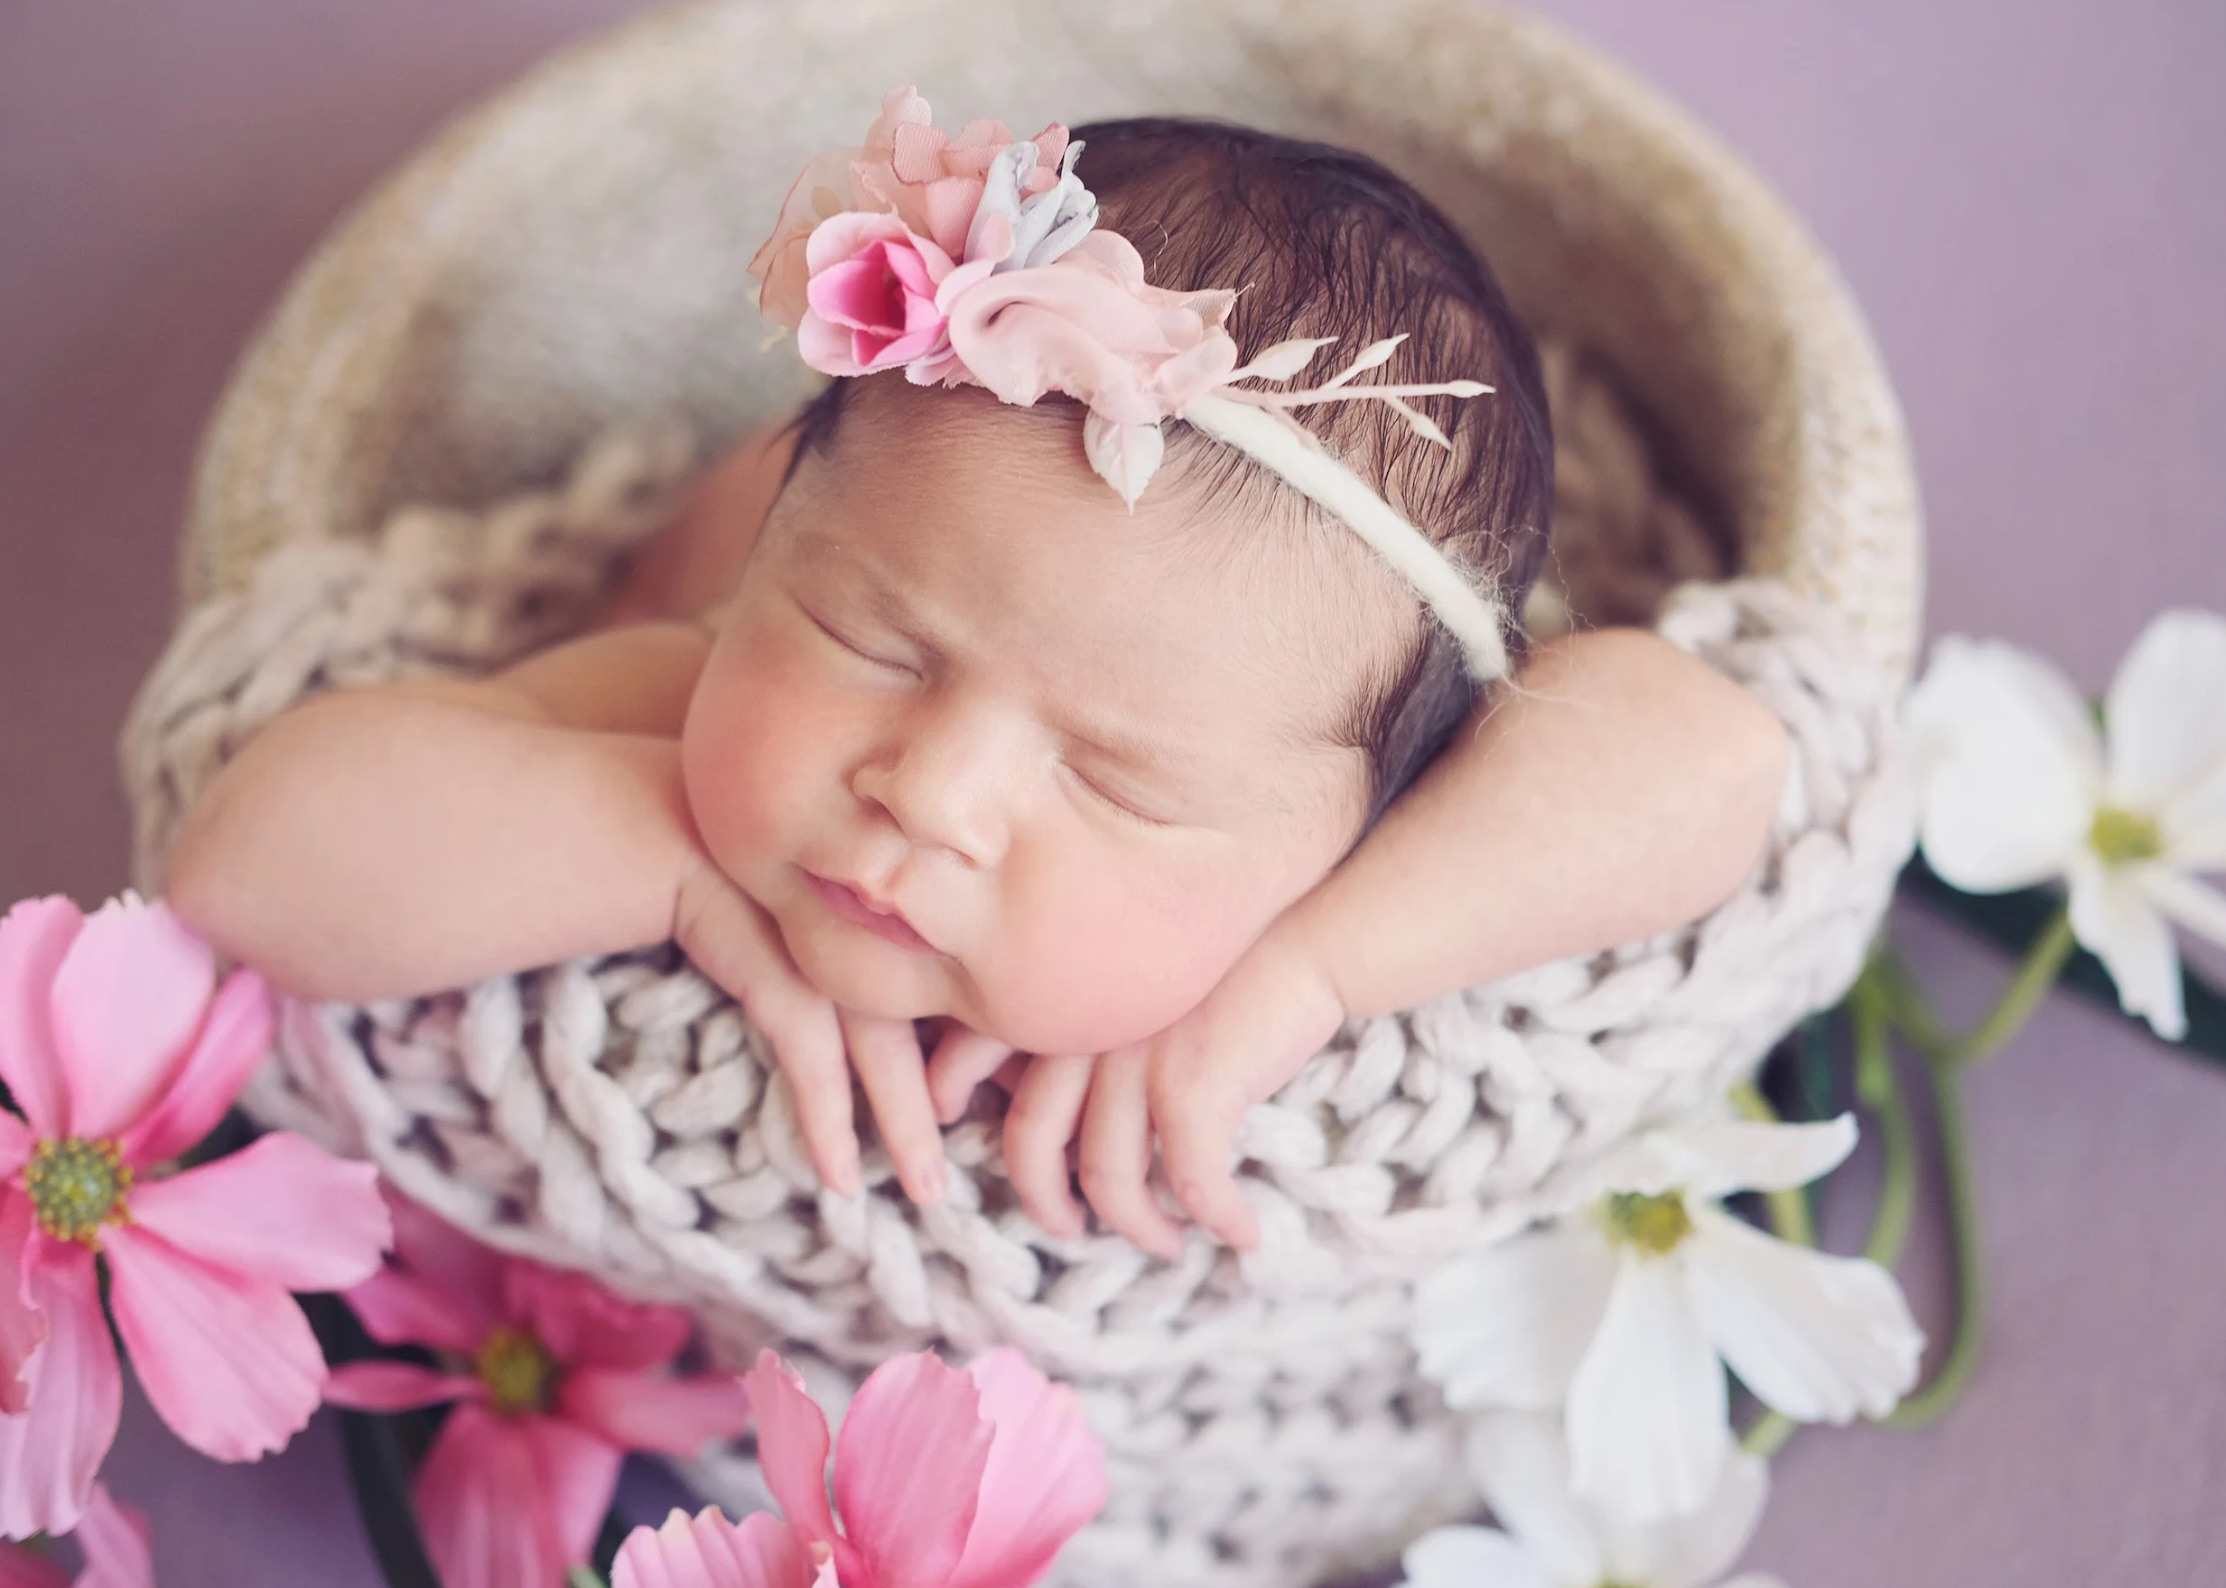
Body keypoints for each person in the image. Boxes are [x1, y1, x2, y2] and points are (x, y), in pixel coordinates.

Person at [166, 95, 1790, 1260]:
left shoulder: (1382, 818)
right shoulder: (692, 703)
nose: (928, 789)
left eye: (1114, 777)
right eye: (870, 645)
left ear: (1344, 819)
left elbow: (1719, 759)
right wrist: (655, 849)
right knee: (728, 553)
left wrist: (1314, 970)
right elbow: (241, 869)